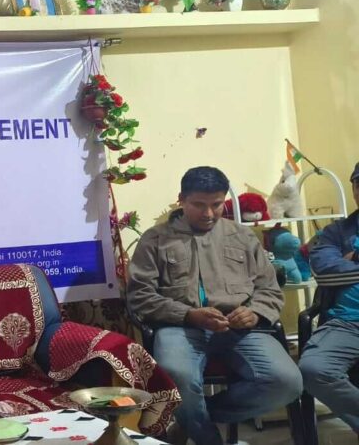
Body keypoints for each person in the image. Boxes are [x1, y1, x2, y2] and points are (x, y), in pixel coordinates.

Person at [127, 166, 303, 445]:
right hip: (179, 327)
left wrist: (255, 312)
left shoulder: (242, 236)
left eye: (217, 204)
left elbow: (269, 288)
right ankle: (208, 438)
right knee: (177, 374)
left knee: (287, 381)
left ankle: (196, 418)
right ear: (181, 200)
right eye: (199, 205)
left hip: (239, 329)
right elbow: (139, 296)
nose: (208, 213)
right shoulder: (156, 239)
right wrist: (188, 315)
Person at [299, 161, 359, 433]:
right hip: (347, 323)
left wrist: (352, 259)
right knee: (314, 369)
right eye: (358, 185)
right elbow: (324, 272)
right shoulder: (335, 232)